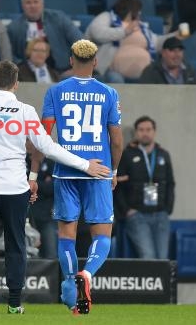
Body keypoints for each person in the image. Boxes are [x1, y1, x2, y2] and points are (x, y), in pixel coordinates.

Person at [0, 60, 111, 314]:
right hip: (14, 188)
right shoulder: (24, 110)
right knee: (16, 242)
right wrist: (85, 165)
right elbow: (47, 147)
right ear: (16, 83)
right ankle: (14, 302)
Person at [42, 39, 123, 315]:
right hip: (98, 171)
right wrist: (113, 171)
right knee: (102, 234)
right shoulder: (109, 93)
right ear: (96, 62)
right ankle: (87, 274)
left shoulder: (55, 91)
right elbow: (117, 140)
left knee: (67, 234)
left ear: (70, 60)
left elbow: (44, 137)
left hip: (66, 171)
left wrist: (32, 172)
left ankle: (69, 285)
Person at [114, 116, 175, 259]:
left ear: (154, 131)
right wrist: (127, 211)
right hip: (137, 216)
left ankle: (162, 283)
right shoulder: (127, 155)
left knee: (162, 258)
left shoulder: (163, 155)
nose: (145, 133)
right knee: (148, 256)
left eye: (148, 129)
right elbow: (117, 184)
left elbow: (171, 183)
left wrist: (168, 208)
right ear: (136, 133)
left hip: (161, 214)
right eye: (141, 130)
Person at [85, 0, 177, 83]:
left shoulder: (140, 26)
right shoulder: (107, 17)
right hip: (110, 70)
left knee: (162, 77)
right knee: (115, 79)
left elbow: (156, 42)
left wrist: (175, 35)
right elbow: (97, 33)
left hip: (145, 73)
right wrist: (124, 31)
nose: (140, 14)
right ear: (130, 10)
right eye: (138, 10)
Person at [8, 0, 82, 73]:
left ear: (42, 4)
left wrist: (76, 66)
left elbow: (79, 41)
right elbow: (9, 53)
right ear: (22, 5)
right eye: (28, 3)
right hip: (28, 74)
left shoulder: (59, 18)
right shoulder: (14, 27)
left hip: (61, 70)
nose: (32, 6)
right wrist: (21, 69)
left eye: (36, 2)